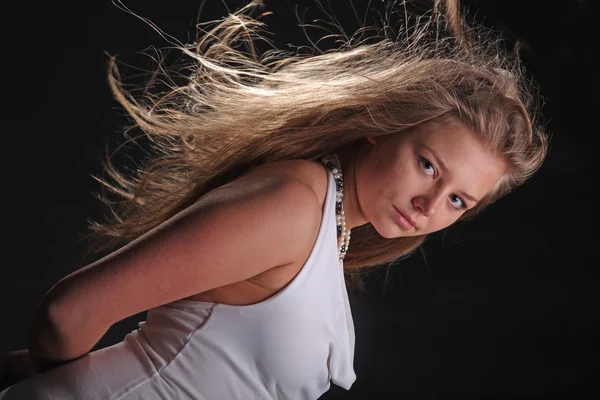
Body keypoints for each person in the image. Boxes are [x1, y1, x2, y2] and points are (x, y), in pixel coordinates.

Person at [0, 0, 549, 398]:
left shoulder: (326, 227)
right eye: (428, 166)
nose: (430, 205)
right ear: (383, 127)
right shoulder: (293, 204)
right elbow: (68, 316)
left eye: (458, 201)